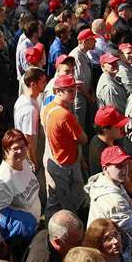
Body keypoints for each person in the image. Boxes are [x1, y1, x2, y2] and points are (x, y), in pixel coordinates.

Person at [85, 146, 132, 262]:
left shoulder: (106, 182)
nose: (124, 169)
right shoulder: (114, 200)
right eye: (119, 166)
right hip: (109, 257)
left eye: (125, 164)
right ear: (105, 168)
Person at [42, 74, 88, 218]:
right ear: (57, 91)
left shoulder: (47, 108)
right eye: (69, 90)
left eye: (74, 89)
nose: (73, 94)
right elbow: (83, 139)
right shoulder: (65, 115)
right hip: (64, 163)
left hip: (53, 158)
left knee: (54, 199)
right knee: (67, 204)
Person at [0, 129, 41, 224]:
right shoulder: (3, 180)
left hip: (34, 225)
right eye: (15, 148)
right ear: (6, 151)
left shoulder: (23, 162)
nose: (20, 151)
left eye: (23, 147)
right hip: (22, 234)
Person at [12, 68, 44, 169]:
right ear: (33, 84)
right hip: (30, 158)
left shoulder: (22, 98)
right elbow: (28, 142)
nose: (45, 84)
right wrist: (34, 163)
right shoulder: (30, 110)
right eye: (42, 82)